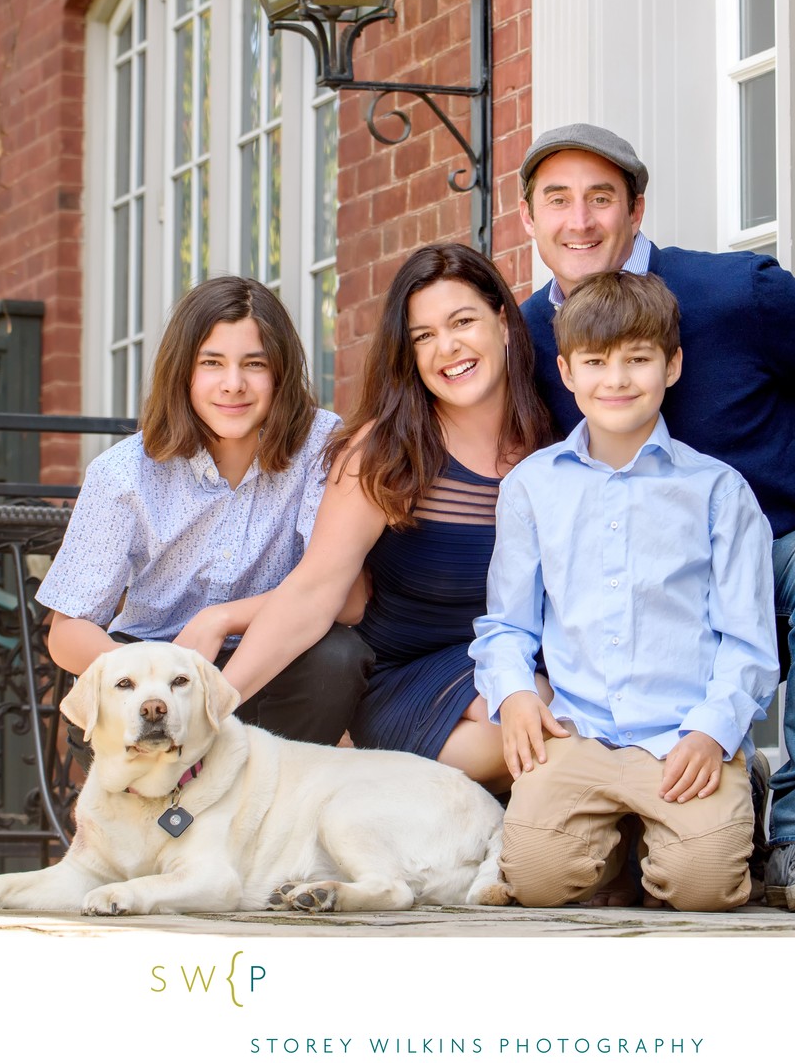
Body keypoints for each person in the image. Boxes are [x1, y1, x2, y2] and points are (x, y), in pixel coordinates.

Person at [517, 122, 795, 912]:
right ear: (528, 220)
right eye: (557, 201)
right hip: (629, 602)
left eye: (601, 199)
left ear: (636, 210)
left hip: (765, 563)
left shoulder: (737, 293)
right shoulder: (528, 336)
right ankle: (661, 804)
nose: (579, 221)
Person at [471, 271, 779, 911]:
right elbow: (506, 625)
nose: (616, 379)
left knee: (704, 888)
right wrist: (518, 697)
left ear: (672, 366)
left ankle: (731, 791)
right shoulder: (531, 488)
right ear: (566, 371)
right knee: (535, 879)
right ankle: (616, 841)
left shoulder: (718, 491)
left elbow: (748, 640)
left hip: (684, 738)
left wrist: (716, 731)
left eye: (638, 360)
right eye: (596, 362)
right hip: (579, 733)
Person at [208, 243, 555, 791]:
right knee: (541, 731)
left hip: (519, 667)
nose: (448, 347)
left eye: (462, 321)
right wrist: (216, 707)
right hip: (406, 678)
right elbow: (313, 592)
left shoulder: (553, 443)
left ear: (505, 324)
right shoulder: (385, 453)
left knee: (548, 712)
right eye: (423, 336)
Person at [37, 275, 372, 746]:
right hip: (156, 658)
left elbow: (350, 598)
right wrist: (148, 682)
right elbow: (67, 632)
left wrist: (221, 618)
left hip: (273, 664)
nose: (232, 384)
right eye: (211, 363)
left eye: (253, 364)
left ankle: (272, 811)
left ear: (279, 372)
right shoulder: (123, 473)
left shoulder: (321, 445)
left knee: (338, 658)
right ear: (184, 372)